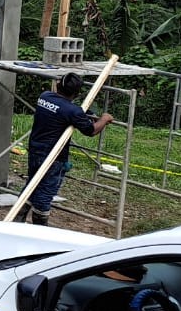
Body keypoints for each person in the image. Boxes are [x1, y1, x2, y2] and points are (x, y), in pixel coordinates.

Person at [18, 73, 112, 226]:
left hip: (36, 150)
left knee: (32, 184)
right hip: (53, 157)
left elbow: (64, 110)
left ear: (58, 85)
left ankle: (17, 218)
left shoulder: (45, 96)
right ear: (76, 93)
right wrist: (104, 119)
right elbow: (91, 130)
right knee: (45, 191)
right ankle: (39, 227)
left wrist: (83, 113)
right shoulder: (72, 111)